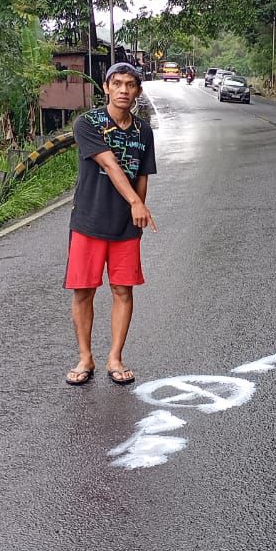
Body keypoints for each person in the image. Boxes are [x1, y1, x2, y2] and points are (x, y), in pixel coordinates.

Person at [65, 62, 158, 386]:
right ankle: (84, 357)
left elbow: (142, 173)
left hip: (125, 227)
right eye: (116, 83)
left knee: (123, 289)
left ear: (138, 91)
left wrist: (138, 212)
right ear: (106, 87)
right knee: (84, 290)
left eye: (130, 85)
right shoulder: (88, 123)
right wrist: (135, 202)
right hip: (89, 220)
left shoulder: (143, 131)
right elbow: (109, 163)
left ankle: (115, 357)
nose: (123, 90)